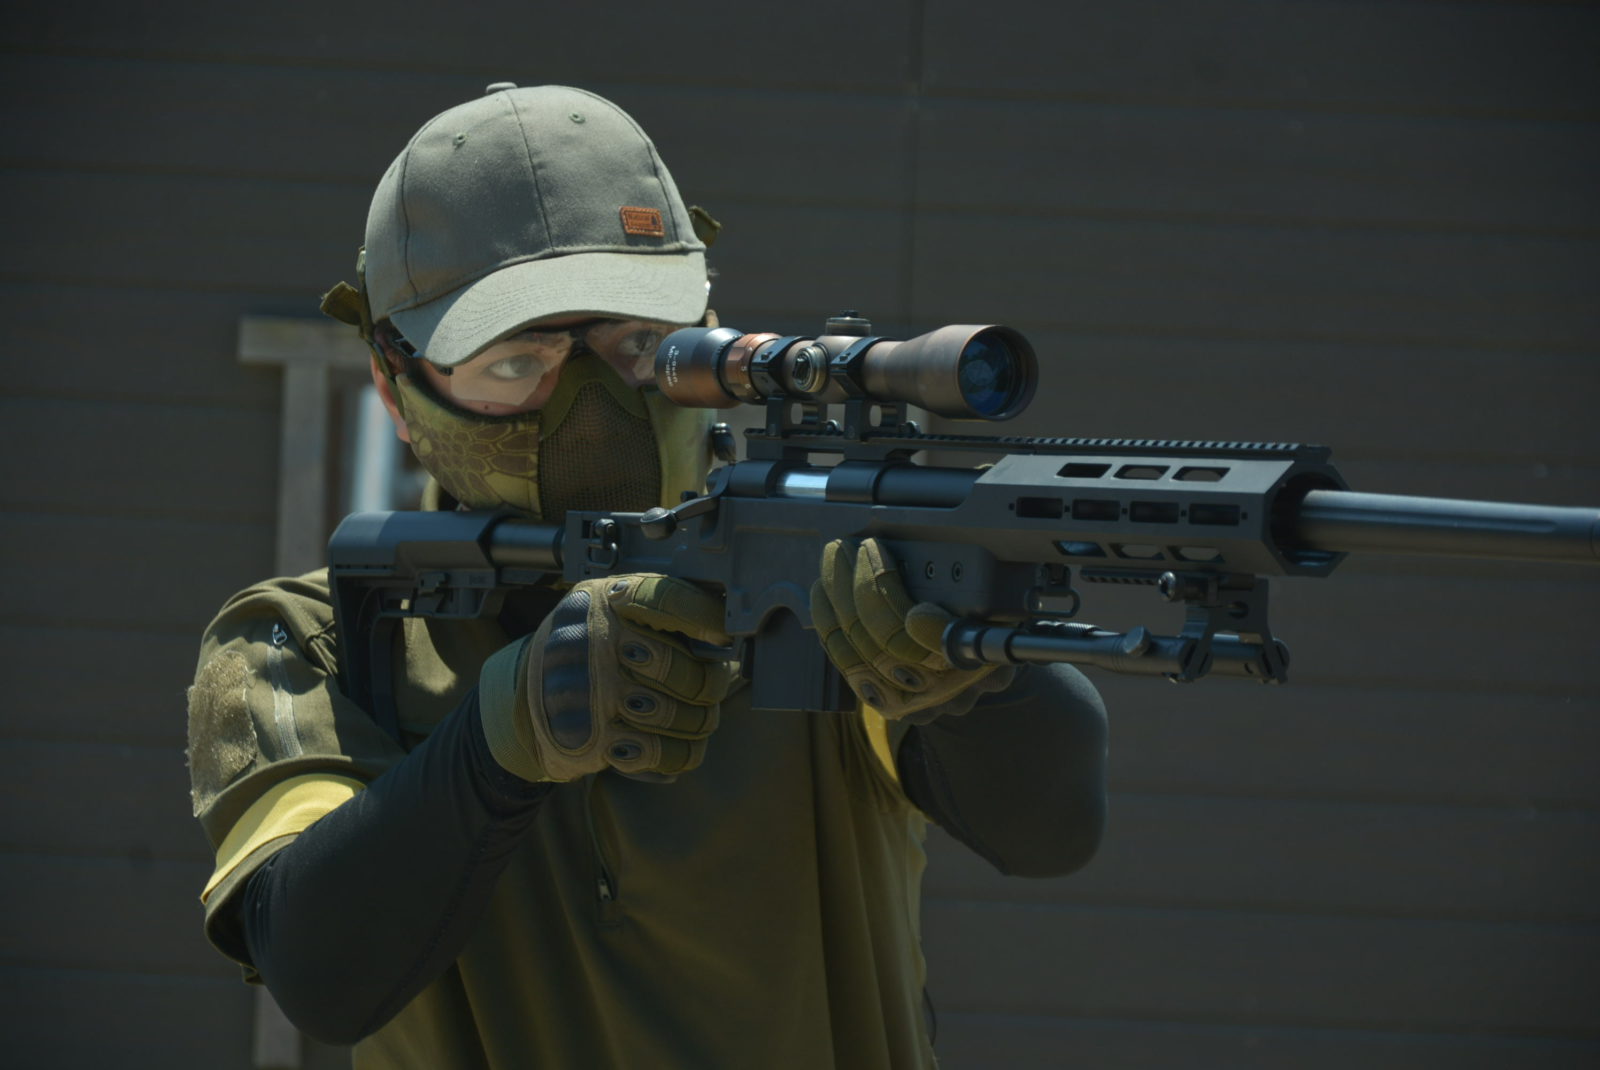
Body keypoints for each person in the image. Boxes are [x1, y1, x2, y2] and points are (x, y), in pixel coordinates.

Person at [186, 83, 1108, 1069]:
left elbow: (1050, 830)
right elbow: (320, 972)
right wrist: (505, 737)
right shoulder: (310, 640)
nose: (591, 406)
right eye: (516, 363)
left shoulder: (816, 576)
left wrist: (973, 683)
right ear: (393, 383)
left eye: (638, 345)